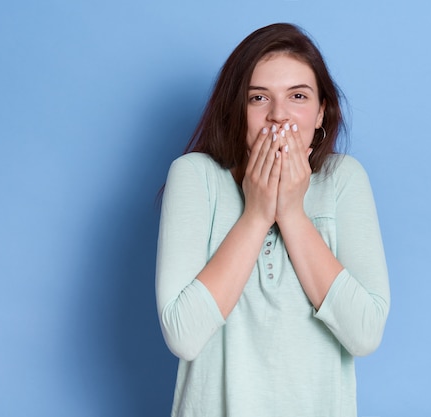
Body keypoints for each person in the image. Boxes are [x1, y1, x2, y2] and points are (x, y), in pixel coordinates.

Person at [155, 23, 390, 417]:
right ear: (237, 111)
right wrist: (258, 212)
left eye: (298, 96)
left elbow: (364, 334)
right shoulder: (195, 176)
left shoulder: (344, 180)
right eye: (258, 98)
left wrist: (292, 214)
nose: (279, 116)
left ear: (320, 113)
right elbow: (183, 335)